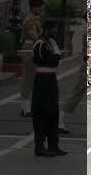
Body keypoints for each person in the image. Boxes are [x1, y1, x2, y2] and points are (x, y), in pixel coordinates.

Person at [31, 21, 67, 156]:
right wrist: (55, 57)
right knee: (41, 114)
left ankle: (53, 145)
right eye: (53, 30)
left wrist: (55, 57)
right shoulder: (40, 44)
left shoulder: (51, 43)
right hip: (41, 81)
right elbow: (53, 60)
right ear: (46, 30)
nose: (55, 32)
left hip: (51, 80)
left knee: (53, 113)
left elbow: (55, 59)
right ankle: (39, 147)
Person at [20, 0, 46, 117]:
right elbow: (34, 36)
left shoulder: (35, 19)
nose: (41, 9)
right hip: (30, 49)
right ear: (34, 7)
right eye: (40, 7)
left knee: (34, 79)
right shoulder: (30, 21)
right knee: (29, 79)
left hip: (34, 48)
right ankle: (25, 107)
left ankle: (28, 105)